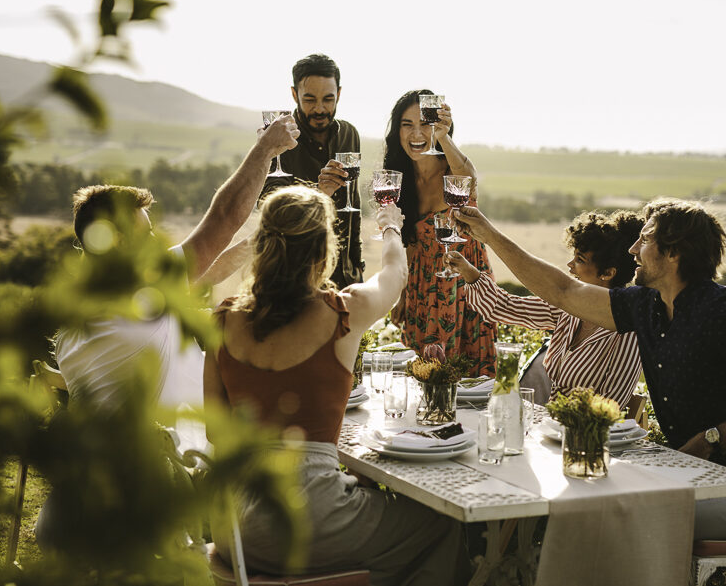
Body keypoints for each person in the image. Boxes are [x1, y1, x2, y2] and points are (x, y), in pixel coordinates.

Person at [453, 198, 726, 541]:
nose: (632, 249)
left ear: (673, 252)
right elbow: (564, 291)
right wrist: (488, 234)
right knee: (584, 503)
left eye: (646, 238)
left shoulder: (721, 310)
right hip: (686, 477)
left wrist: (710, 439)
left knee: (607, 514)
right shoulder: (647, 307)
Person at [204, 185, 469, 586]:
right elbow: (396, 275)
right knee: (442, 526)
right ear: (323, 248)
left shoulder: (222, 321)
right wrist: (391, 228)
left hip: (234, 527)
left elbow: (214, 430)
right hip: (307, 523)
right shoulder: (344, 311)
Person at [55, 115, 299, 414]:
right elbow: (224, 217)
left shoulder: (77, 313)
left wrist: (268, 235)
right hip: (179, 456)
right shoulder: (143, 292)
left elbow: (208, 273)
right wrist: (264, 150)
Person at [446, 210, 644, 406]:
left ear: (608, 273)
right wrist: (469, 272)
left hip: (584, 432)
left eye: (580, 260)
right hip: (549, 427)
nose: (570, 265)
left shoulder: (627, 333)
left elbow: (610, 405)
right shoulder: (568, 311)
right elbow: (504, 307)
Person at [384, 89, 496, 376]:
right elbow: (410, 242)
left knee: (469, 380)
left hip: (464, 283)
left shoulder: (453, 169)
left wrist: (444, 136)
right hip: (423, 287)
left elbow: (468, 177)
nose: (416, 133)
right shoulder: (399, 178)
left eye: (425, 124)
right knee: (426, 376)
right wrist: (403, 295)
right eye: (407, 125)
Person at [261, 53, 363, 289]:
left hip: (344, 278)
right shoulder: (276, 140)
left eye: (328, 99)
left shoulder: (350, 134)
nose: (320, 109)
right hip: (292, 279)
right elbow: (269, 211)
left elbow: (353, 208)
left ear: (338, 93)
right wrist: (319, 193)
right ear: (294, 94)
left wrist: (356, 268)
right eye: (309, 100)